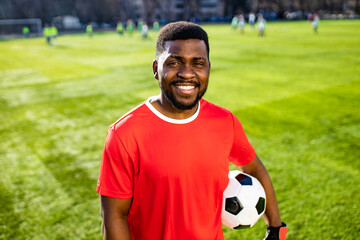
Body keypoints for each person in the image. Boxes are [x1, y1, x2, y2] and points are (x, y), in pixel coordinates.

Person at [97, 21, 287, 240]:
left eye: (198, 63)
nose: (187, 73)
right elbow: (114, 215)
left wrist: (276, 229)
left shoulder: (225, 121)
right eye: (175, 62)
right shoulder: (125, 133)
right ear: (156, 69)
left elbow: (253, 169)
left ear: (208, 68)